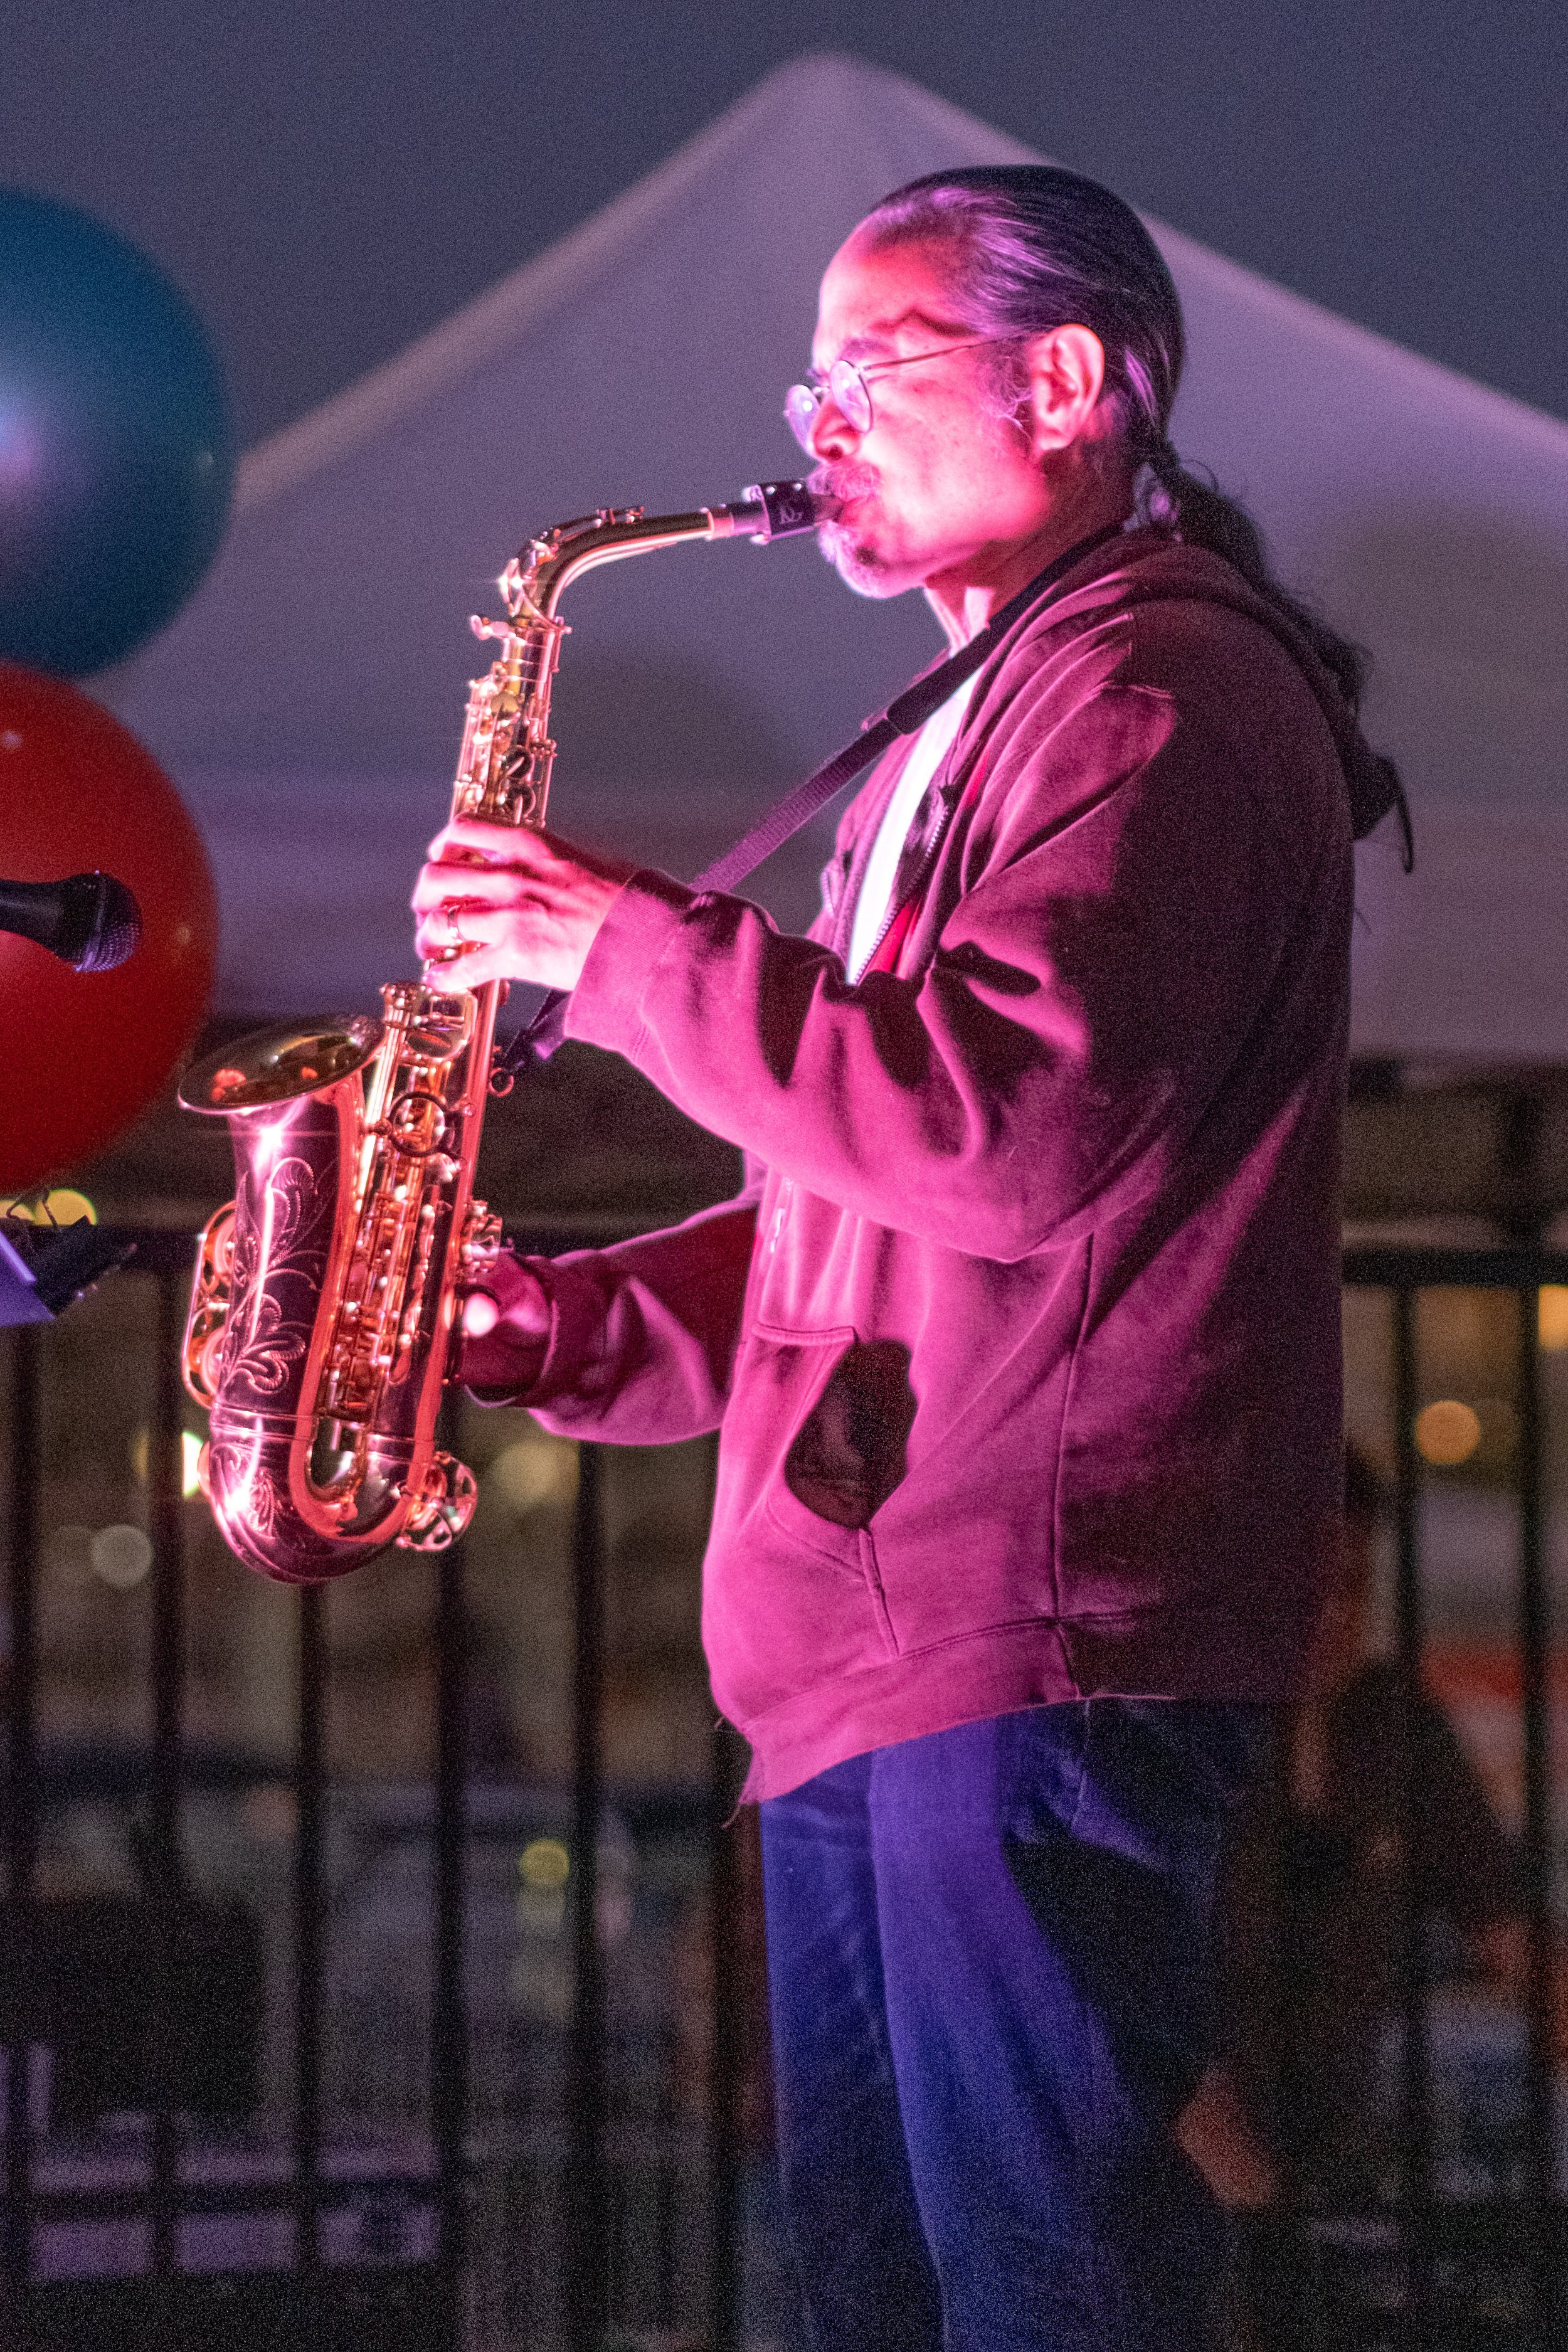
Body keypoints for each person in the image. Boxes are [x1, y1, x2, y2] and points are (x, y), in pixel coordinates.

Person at [413, 165, 1396, 2351]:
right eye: (812, 377)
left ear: (1067, 384)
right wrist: (554, 1324)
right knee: (886, 2296)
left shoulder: (1152, 695)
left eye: (878, 367)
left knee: (1039, 2288)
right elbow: (851, 1196)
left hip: (1019, 1627)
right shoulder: (981, 718)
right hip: (887, 1642)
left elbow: (1010, 1136)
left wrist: (635, 953)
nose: (820, 420)